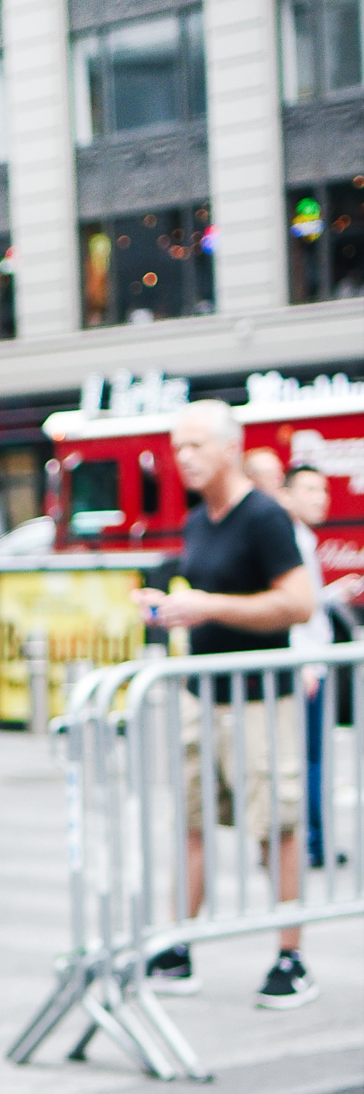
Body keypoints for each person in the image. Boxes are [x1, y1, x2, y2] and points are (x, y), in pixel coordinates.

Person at [137, 402, 315, 1008]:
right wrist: (170, 608)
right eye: (177, 447)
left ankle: (291, 958)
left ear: (230, 448)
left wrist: (209, 606)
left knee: (276, 828)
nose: (182, 458)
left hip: (261, 699)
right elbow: (208, 598)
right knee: (191, 822)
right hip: (202, 694)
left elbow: (300, 603)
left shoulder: (263, 516)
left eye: (194, 446)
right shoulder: (198, 520)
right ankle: (178, 946)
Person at [280, 463, 364, 869]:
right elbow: (293, 610)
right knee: (310, 758)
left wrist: (330, 594)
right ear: (287, 495)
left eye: (324, 490)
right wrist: (305, 664)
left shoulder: (303, 539)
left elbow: (308, 602)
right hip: (307, 665)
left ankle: (311, 839)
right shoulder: (291, 541)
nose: (321, 498)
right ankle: (312, 841)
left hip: (311, 662)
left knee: (313, 757)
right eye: (310, 489)